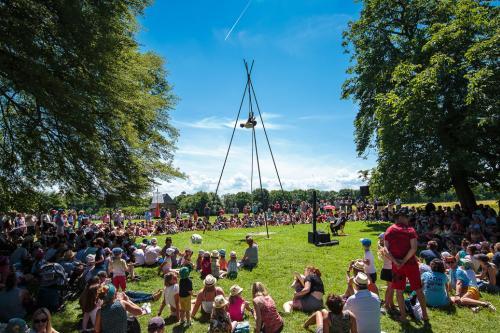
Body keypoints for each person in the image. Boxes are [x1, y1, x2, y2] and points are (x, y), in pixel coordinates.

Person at [383, 208, 429, 322]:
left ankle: (403, 316)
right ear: (401, 217)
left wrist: (396, 262)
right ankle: (425, 315)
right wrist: (403, 261)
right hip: (411, 264)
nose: (409, 218)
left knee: (399, 291)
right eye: (407, 216)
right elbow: (414, 248)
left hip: (397, 265)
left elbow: (385, 249)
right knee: (418, 289)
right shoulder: (410, 230)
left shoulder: (389, 230)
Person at [377, 233, 394, 311]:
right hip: (389, 270)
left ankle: (391, 303)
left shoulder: (382, 248)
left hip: (387, 269)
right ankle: (387, 305)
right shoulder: (386, 249)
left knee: (391, 287)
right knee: (390, 288)